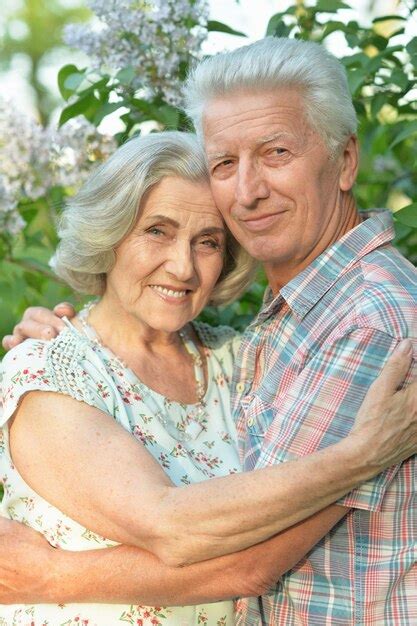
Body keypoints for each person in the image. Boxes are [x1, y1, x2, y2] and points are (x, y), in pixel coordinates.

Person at [1, 37, 417, 625]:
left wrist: (47, 576)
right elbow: (168, 522)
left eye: (207, 241)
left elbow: (250, 561)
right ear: (109, 234)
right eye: (155, 231)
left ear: (345, 161)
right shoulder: (54, 366)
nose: (182, 265)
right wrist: (363, 455)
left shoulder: (347, 328)